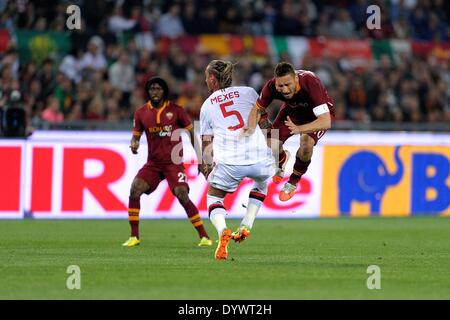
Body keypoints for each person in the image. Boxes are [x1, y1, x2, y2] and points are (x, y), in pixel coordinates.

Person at [123, 76, 212, 248]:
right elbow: (136, 136)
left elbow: (192, 136)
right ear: (148, 92)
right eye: (151, 89)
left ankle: (204, 236)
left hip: (173, 161)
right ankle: (134, 236)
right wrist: (134, 144)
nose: (155, 92)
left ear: (164, 91)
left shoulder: (176, 110)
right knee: (135, 189)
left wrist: (201, 159)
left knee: (182, 194)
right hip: (153, 163)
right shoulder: (141, 113)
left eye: (158, 89)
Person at [200, 60, 275, 260]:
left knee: (214, 198)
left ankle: (222, 231)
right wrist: (276, 149)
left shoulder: (207, 105)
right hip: (259, 157)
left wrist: (206, 165)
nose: (206, 81)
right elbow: (266, 123)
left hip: (230, 161)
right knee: (261, 183)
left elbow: (207, 142)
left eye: (207, 77)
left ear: (213, 79)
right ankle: (246, 224)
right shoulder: (250, 92)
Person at [244, 62, 334, 202]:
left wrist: (300, 129)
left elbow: (325, 121)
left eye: (288, 85)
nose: (285, 90)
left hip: (316, 116)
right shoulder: (270, 86)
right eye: (281, 86)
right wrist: (249, 130)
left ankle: (293, 182)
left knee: (306, 144)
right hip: (293, 112)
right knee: (271, 144)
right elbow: (257, 109)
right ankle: (281, 159)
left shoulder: (310, 83)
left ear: (296, 79)